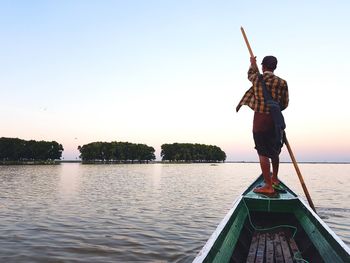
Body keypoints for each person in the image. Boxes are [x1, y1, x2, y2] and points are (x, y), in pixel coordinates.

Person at [236, 55, 289, 195]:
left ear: (263, 66)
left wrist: (252, 63)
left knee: (262, 152)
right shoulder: (282, 82)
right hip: (275, 121)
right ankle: (275, 179)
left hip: (260, 120)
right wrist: (274, 109)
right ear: (275, 67)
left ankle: (268, 186)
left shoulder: (258, 79)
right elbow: (284, 104)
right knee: (275, 150)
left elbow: (250, 74)